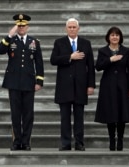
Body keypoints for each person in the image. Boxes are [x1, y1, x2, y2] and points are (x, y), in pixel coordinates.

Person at [0, 14, 44, 151]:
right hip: (14, 82)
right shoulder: (11, 40)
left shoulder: (34, 42)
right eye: (19, 26)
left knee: (28, 114)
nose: (21, 28)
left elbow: (39, 63)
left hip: (29, 82)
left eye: (23, 26)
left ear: (28, 27)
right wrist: (9, 36)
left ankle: (26, 141)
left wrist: (39, 81)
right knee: (15, 113)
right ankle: (16, 141)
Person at [50, 18, 95, 151]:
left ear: (78, 28)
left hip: (81, 86)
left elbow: (90, 66)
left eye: (74, 27)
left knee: (79, 117)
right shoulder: (59, 43)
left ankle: (79, 142)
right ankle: (65, 142)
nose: (72, 29)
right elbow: (53, 60)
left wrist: (91, 85)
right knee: (65, 117)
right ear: (66, 29)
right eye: (69, 27)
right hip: (64, 87)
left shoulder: (86, 43)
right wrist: (70, 57)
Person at [94, 26, 129, 151]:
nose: (115, 37)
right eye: (112, 35)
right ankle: (111, 141)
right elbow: (98, 66)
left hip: (123, 86)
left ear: (120, 37)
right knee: (110, 113)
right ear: (108, 37)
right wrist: (110, 59)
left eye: (117, 35)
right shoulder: (103, 51)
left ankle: (120, 141)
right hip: (108, 86)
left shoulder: (126, 51)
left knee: (121, 114)